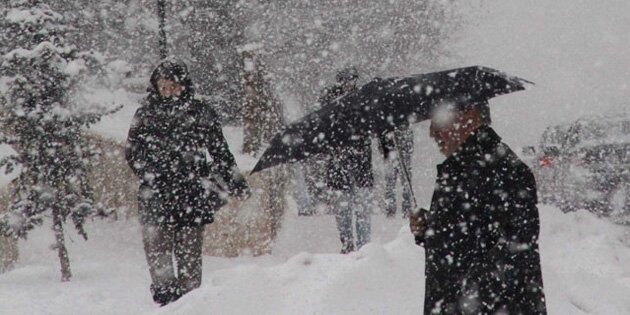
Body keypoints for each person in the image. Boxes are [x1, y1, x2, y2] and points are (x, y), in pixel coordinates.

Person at [125, 59, 250, 306]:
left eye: (173, 85)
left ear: (184, 85)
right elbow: (132, 151)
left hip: (191, 192)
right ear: (156, 86)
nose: (168, 91)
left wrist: (237, 183)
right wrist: (151, 174)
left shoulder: (201, 113)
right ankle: (165, 300)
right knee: (157, 250)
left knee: (189, 255)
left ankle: (190, 303)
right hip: (156, 194)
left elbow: (220, 152)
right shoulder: (145, 114)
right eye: (163, 86)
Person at [410, 99, 547, 314]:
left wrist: (466, 290)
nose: (432, 133)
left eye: (438, 122)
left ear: (469, 116)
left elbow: (513, 250)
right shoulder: (461, 168)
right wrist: (429, 229)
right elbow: (467, 235)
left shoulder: (502, 171)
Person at [321, 66, 375, 254]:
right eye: (346, 80)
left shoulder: (364, 100)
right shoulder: (330, 102)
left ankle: (363, 247)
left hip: (359, 164)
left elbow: (370, 126)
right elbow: (326, 130)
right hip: (340, 164)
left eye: (352, 80)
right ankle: (348, 244)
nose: (349, 84)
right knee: (344, 209)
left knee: (361, 209)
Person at [379, 126, 414, 218]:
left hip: (403, 147)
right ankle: (391, 209)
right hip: (389, 150)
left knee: (405, 180)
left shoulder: (402, 121)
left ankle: (406, 208)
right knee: (390, 182)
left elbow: (409, 137)